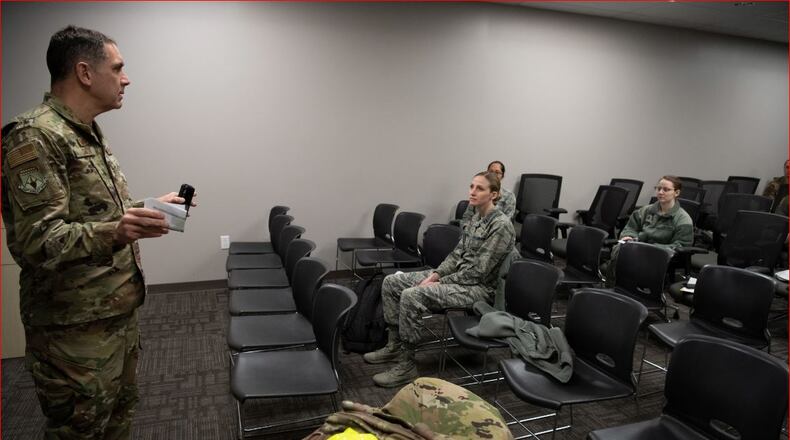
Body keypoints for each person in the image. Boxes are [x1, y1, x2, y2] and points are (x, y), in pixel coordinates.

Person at [1, 26, 195, 439]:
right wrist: (116, 231)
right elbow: (38, 241)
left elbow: (93, 213)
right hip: (72, 331)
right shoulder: (35, 137)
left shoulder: (84, 130)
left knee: (117, 421)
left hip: (111, 316)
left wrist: (142, 210)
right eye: (118, 68)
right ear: (85, 73)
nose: (126, 79)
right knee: (80, 429)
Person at [364, 171, 515, 388]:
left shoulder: (500, 225)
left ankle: (407, 366)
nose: (472, 192)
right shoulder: (476, 217)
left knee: (412, 295)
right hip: (459, 279)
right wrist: (435, 274)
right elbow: (456, 255)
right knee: (391, 282)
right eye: (471, 186)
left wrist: (440, 282)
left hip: (480, 289)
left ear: (493, 194)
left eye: (479, 188)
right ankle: (394, 345)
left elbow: (478, 272)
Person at [606, 175, 693, 283]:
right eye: (658, 188)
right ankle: (614, 285)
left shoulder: (683, 219)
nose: (660, 192)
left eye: (666, 189)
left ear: (677, 193)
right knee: (620, 248)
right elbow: (630, 228)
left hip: (660, 253)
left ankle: (624, 285)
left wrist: (652, 247)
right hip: (639, 247)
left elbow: (681, 245)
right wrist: (630, 236)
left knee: (631, 258)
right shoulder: (646, 210)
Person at [460, 160, 516, 225]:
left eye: (497, 172)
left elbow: (506, 221)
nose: (493, 175)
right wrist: (468, 229)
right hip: (472, 228)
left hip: (495, 229)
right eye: (491, 172)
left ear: (502, 176)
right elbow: (466, 217)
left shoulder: (509, 196)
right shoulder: (477, 193)